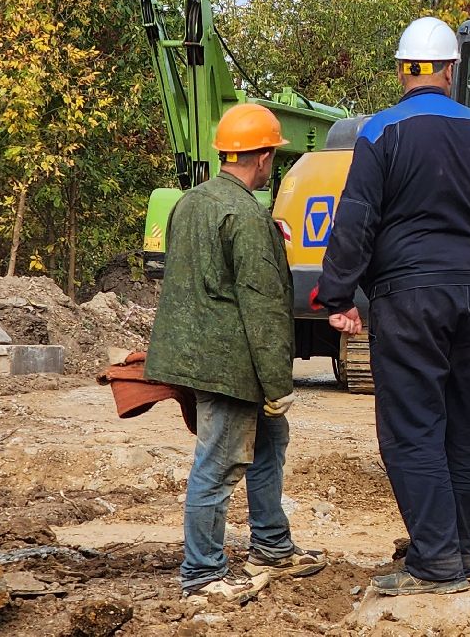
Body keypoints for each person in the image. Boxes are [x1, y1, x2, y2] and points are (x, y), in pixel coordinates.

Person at [315, 16, 470, 596]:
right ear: (451, 71)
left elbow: (356, 219)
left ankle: (435, 562)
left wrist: (337, 294)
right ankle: (458, 550)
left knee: (413, 429)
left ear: (402, 71)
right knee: (467, 429)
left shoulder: (381, 133)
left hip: (410, 298)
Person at [145, 103, 326, 604]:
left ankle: (271, 546)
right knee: (218, 464)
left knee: (268, 442)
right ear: (264, 156)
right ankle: (202, 575)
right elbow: (264, 308)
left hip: (199, 355)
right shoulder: (247, 215)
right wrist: (278, 385)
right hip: (230, 365)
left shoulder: (190, 202)